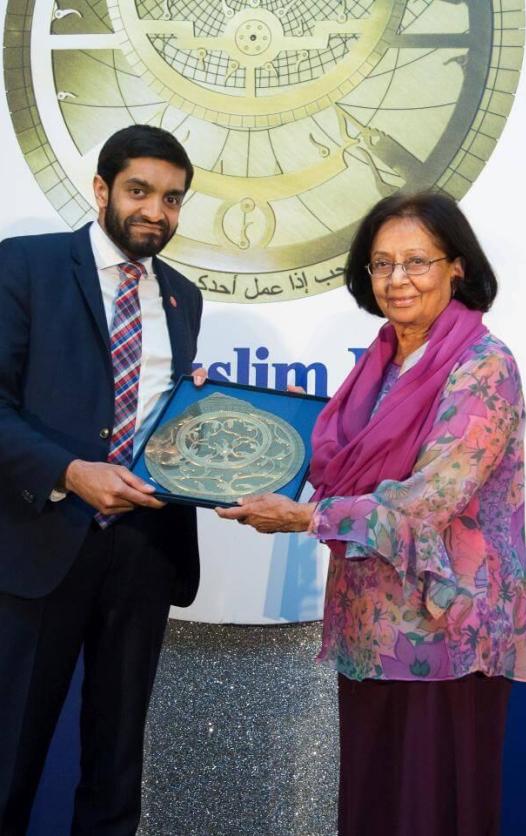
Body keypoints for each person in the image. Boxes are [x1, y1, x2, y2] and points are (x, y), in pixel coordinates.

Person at [217, 191, 526, 835]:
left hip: (447, 633)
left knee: (430, 812)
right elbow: (331, 452)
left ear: (457, 267)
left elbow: (429, 501)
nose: (397, 280)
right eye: (382, 263)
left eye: (416, 261)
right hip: (372, 627)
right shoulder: (381, 363)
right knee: (374, 809)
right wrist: (220, 408)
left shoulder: (483, 366)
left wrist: (308, 519)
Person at [0, 124, 205, 835]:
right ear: (101, 190)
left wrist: (198, 419)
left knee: (116, 767)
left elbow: (162, 421)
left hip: (145, 548)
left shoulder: (184, 295)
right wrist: (67, 471)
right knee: (9, 761)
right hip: (42, 545)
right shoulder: (23, 268)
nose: (157, 211)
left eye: (173, 199)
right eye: (141, 191)